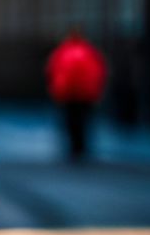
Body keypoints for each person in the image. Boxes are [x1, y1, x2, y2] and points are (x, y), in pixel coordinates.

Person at [45, 29, 108, 160]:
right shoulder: (89, 51)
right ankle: (82, 146)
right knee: (84, 121)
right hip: (86, 93)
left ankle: (73, 147)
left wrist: (56, 91)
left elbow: (53, 71)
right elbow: (99, 72)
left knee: (70, 121)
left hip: (67, 93)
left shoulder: (62, 51)